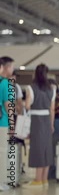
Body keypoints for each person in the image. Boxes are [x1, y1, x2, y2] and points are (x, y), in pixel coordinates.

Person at [23, 64, 56, 188]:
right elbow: (52, 109)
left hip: (36, 120)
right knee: (47, 148)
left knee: (37, 148)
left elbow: (27, 105)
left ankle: (37, 180)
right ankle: (44, 180)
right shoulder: (51, 89)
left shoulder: (31, 88)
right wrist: (51, 124)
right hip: (47, 120)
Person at [0, 57, 15, 191]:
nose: (12, 69)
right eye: (11, 67)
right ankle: (1, 181)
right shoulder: (7, 83)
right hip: (3, 122)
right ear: (5, 67)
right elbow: (8, 104)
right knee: (3, 152)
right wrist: (12, 124)